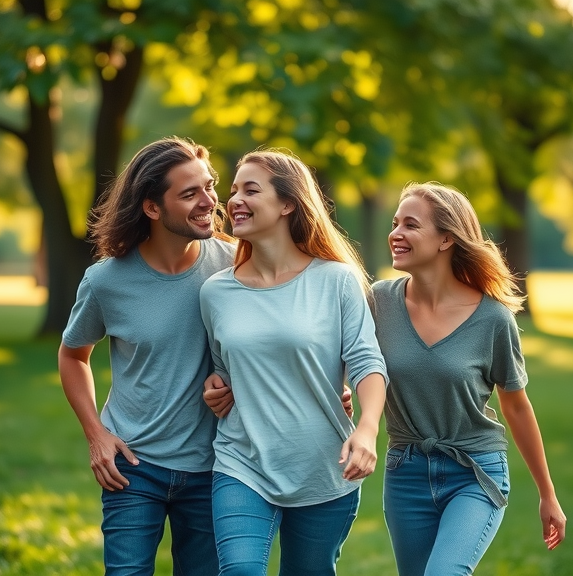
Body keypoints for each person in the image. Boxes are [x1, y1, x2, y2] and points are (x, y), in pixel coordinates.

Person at [198, 149, 387, 576]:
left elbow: (365, 361)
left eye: (251, 190)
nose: (235, 200)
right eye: (233, 190)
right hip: (241, 462)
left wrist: (367, 429)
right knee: (240, 571)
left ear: (287, 204)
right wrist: (216, 385)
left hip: (324, 468)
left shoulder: (336, 280)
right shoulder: (215, 292)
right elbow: (226, 367)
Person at [57, 137, 236, 576]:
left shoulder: (236, 267)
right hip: (133, 466)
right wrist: (96, 435)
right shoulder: (106, 281)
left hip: (216, 465)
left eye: (209, 186)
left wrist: (331, 386)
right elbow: (73, 355)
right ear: (152, 208)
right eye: (189, 193)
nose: (209, 201)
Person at [369, 182, 566, 576]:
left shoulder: (493, 319)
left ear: (446, 239)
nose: (396, 234)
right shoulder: (378, 302)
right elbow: (351, 363)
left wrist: (548, 494)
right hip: (405, 472)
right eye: (395, 223)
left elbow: (517, 407)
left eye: (411, 225)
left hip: (474, 472)